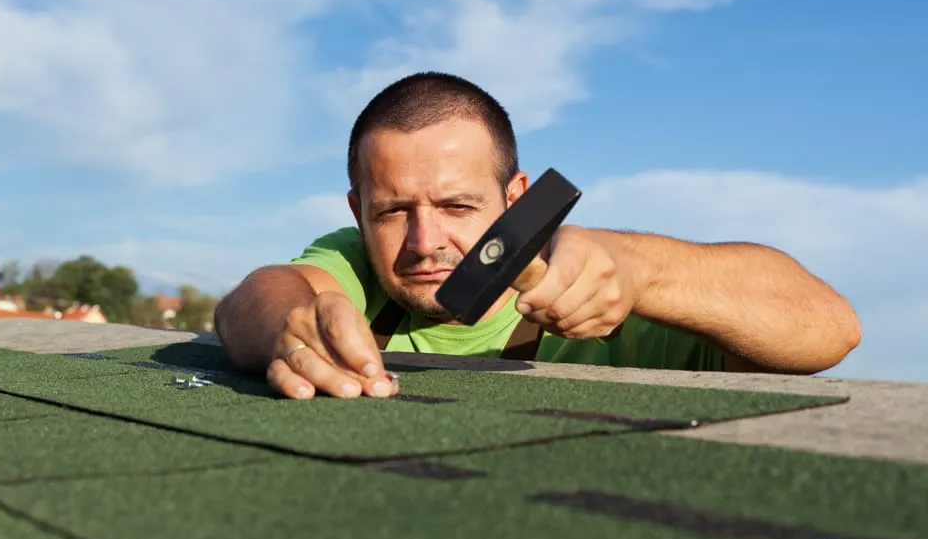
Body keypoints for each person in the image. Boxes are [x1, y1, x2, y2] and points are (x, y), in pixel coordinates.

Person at [214, 71, 862, 400]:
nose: (423, 240)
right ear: (358, 212)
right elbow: (257, 296)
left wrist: (638, 272)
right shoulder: (354, 264)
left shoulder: (598, 277)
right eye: (391, 212)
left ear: (514, 198)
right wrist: (291, 325)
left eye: (457, 205)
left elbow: (831, 329)